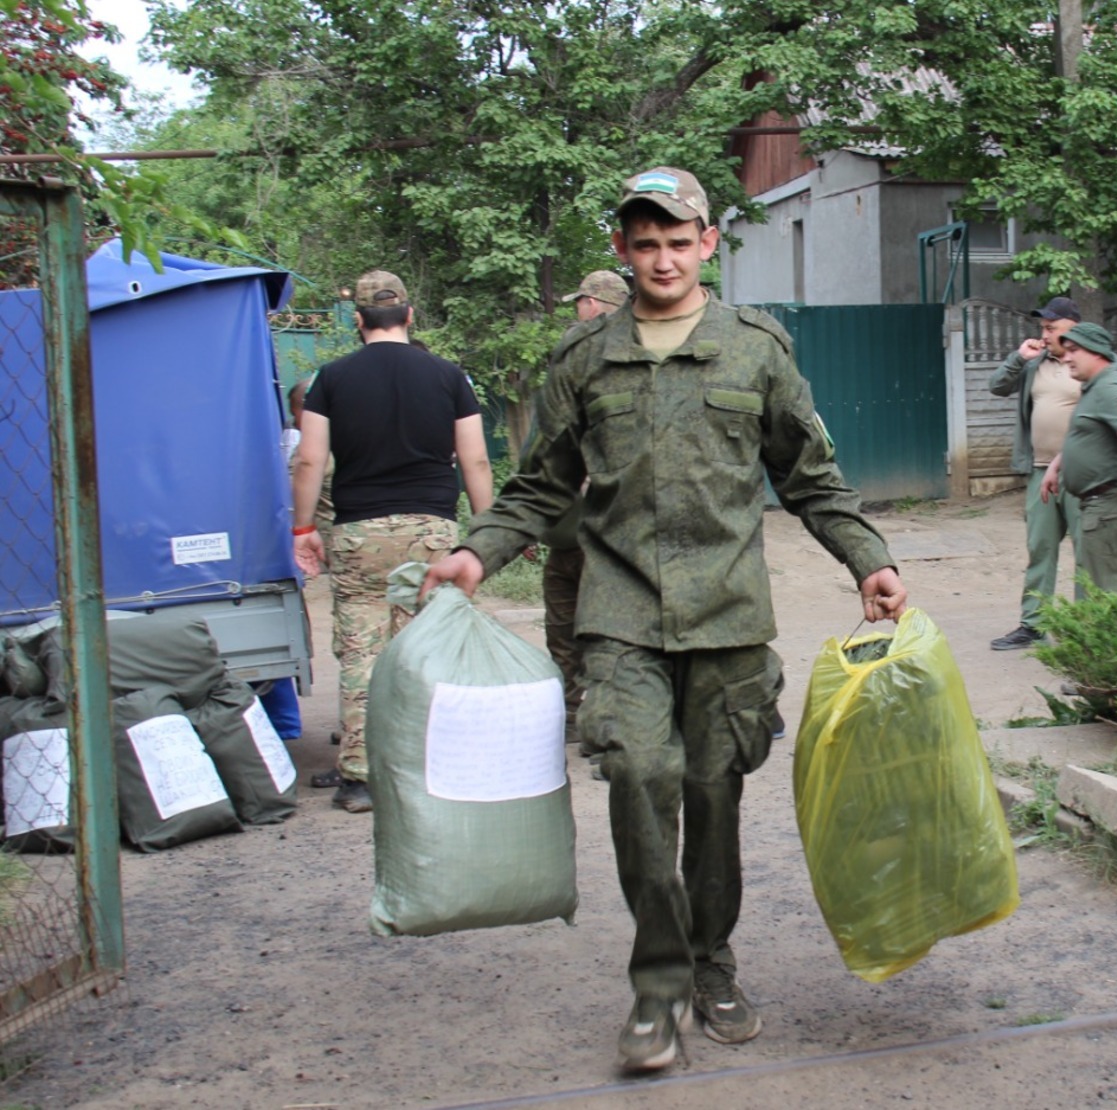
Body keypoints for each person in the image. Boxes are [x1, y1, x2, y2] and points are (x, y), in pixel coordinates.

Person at [422, 166, 907, 1073]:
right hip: (620, 616)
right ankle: (656, 985)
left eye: (678, 242)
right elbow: (537, 488)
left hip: (726, 617)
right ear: (622, 250)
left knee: (715, 800)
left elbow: (810, 476)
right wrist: (476, 551)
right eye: (644, 243)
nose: (662, 259)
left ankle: (712, 963)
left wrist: (868, 558)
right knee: (641, 782)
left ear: (707, 245)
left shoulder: (756, 349)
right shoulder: (585, 361)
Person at [291, 270, 494, 814]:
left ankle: (360, 778)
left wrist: (303, 527)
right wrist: (488, 532)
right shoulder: (450, 377)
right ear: (409, 316)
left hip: (359, 531)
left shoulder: (328, 379)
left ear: (357, 322)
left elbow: (311, 458)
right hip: (433, 532)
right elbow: (474, 458)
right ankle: (430, 767)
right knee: (427, 647)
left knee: (362, 652)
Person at [541, 270, 629, 744]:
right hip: (572, 531)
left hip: (601, 532)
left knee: (598, 631)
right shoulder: (573, 364)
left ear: (594, 304)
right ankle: (579, 720)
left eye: (582, 303)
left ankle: (603, 727)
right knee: (572, 627)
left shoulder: (614, 363)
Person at [986, 295, 1083, 650]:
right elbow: (997, 386)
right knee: (1040, 549)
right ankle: (1033, 625)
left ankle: (1089, 629)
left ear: (1074, 329)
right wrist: (1019, 357)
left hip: (1082, 474)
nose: (1044, 333)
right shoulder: (1035, 362)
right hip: (1040, 472)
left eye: (1051, 327)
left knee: (1087, 552)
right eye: (1042, 327)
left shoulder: (1090, 363)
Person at [1041, 321, 1117, 594]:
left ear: (1095, 351)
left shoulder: (1112, 388)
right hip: (1100, 505)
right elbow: (1086, 435)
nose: (1066, 357)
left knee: (1105, 591)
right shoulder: (1095, 386)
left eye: (1073, 350)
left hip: (1108, 506)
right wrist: (1056, 466)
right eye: (1065, 350)